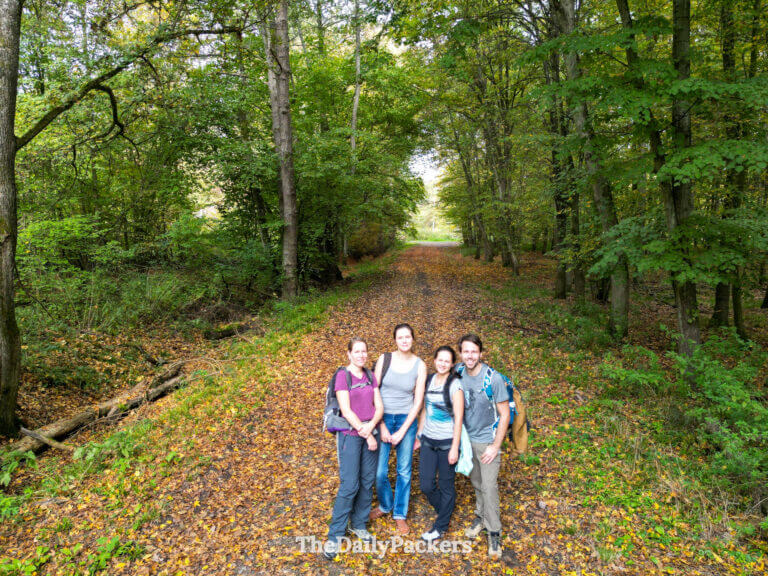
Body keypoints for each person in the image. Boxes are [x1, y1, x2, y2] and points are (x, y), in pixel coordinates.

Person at [325, 337, 384, 560]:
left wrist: (370, 429)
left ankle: (359, 524)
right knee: (350, 484)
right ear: (349, 354)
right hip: (350, 435)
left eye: (364, 351)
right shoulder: (343, 376)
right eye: (356, 351)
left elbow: (379, 406)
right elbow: (346, 410)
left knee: (367, 482)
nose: (361, 355)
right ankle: (335, 536)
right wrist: (366, 432)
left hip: (370, 431)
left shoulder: (370, 376)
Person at [369, 323, 427, 535]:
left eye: (408, 337)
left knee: (404, 470)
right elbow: (373, 394)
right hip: (382, 417)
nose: (404, 340)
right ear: (395, 339)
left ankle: (400, 514)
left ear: (413, 339)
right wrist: (381, 425)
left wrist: (403, 431)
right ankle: (385, 505)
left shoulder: (420, 365)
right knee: (380, 471)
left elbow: (418, 401)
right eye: (400, 337)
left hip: (406, 420)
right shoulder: (385, 360)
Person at [458, 333, 510, 559]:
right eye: (466, 351)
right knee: (476, 481)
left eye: (474, 351)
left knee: (489, 487)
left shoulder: (493, 379)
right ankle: (481, 515)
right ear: (461, 353)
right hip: (467, 441)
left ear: (481, 353)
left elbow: (505, 414)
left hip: (488, 441)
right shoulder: (458, 373)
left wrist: (495, 446)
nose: (470, 356)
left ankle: (494, 531)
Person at [417, 345, 464, 543]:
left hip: (446, 444)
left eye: (447, 360)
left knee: (446, 485)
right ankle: (445, 510)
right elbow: (426, 409)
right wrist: (419, 434)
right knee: (426, 485)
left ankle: (440, 526)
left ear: (452, 363)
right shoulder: (429, 380)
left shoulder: (455, 385)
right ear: (434, 360)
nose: (443, 363)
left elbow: (459, 418)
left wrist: (455, 447)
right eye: (440, 359)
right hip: (428, 441)